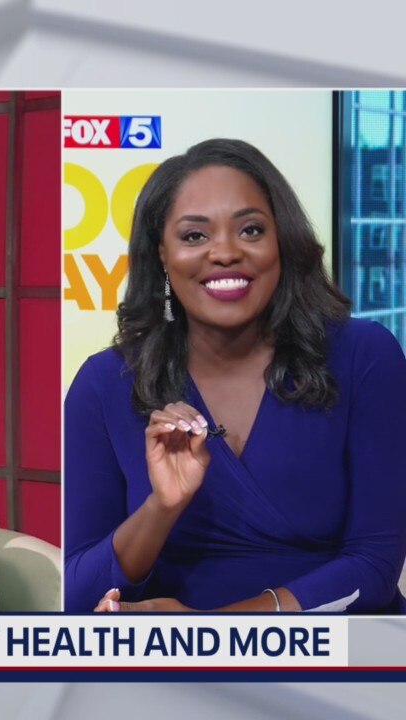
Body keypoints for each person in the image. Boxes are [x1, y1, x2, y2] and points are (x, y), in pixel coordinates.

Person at [64, 139, 406, 613]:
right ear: (161, 253)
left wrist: (216, 631)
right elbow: (78, 597)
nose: (225, 252)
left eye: (250, 230)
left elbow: (375, 567)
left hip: (335, 646)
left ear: (282, 242)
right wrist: (161, 508)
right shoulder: (104, 383)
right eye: (194, 236)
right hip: (166, 654)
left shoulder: (364, 355)